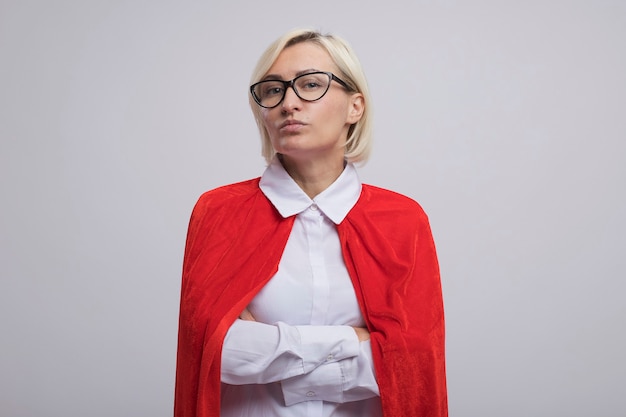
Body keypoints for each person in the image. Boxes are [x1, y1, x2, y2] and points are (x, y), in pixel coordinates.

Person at [174, 29, 447, 417]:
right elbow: (218, 355)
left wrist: (268, 352)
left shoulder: (402, 220)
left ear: (355, 106)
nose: (288, 102)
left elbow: (415, 365)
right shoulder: (219, 211)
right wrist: (356, 341)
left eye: (310, 84)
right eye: (272, 90)